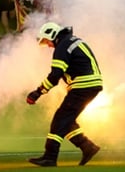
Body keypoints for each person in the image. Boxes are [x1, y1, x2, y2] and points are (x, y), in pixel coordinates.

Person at [25, 21, 103, 167]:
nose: (48, 45)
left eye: (47, 41)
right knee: (66, 121)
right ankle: (87, 147)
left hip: (83, 85)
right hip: (91, 84)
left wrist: (37, 92)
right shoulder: (71, 41)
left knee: (59, 120)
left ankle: (50, 157)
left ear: (53, 35)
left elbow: (55, 75)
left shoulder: (62, 46)